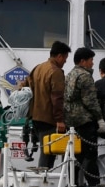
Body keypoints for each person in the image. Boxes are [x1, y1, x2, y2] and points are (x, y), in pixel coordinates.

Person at [24, 40, 72, 169]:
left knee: (45, 150)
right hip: (49, 118)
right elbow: (57, 97)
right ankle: (43, 182)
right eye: (65, 58)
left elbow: (25, 88)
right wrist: (60, 120)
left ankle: (45, 179)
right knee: (48, 153)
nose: (65, 62)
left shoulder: (37, 68)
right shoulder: (56, 72)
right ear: (59, 56)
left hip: (35, 117)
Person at [64, 47, 105, 187]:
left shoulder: (69, 75)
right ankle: (95, 186)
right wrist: (100, 119)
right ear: (83, 61)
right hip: (84, 121)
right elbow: (90, 101)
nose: (92, 63)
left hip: (70, 121)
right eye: (91, 60)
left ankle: (73, 186)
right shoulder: (85, 76)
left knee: (74, 156)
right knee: (89, 155)